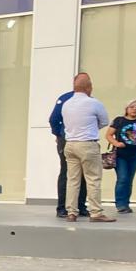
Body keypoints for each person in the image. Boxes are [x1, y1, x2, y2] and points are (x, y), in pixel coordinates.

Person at [59, 74, 114, 222]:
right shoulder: (94, 103)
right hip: (88, 144)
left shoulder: (66, 104)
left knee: (72, 180)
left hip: (69, 144)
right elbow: (104, 122)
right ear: (88, 88)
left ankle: (71, 212)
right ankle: (96, 212)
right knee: (93, 179)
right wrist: (91, 128)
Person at [50, 74, 89, 218]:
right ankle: (62, 207)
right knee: (67, 173)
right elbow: (54, 119)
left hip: (83, 140)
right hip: (67, 140)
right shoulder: (66, 98)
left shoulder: (90, 101)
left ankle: (80, 206)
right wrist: (59, 135)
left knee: (84, 173)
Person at [107, 100, 136, 213]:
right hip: (121, 154)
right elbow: (108, 135)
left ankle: (126, 204)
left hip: (135, 154)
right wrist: (116, 143)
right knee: (122, 178)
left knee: (129, 179)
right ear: (126, 109)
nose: (135, 109)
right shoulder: (119, 120)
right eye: (132, 107)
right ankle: (120, 204)